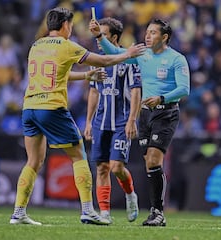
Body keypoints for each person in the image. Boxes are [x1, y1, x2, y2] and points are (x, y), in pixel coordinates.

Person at [9, 7, 145, 226]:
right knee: (79, 155)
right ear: (65, 25)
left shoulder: (36, 45)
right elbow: (102, 61)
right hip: (52, 107)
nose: (71, 29)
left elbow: (57, 73)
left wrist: (86, 76)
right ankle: (87, 210)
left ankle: (18, 212)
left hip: (29, 107)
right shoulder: (66, 45)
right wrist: (127, 55)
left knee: (33, 161)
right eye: (70, 25)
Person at [90, 18, 190, 226]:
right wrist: (99, 36)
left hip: (166, 112)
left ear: (164, 37)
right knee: (149, 163)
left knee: (154, 160)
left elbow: (184, 89)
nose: (147, 35)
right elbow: (116, 53)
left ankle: (158, 212)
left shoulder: (177, 59)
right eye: (147, 31)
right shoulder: (142, 54)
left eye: (153, 32)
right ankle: (154, 211)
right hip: (146, 114)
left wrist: (162, 98)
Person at [83, 17, 141, 224]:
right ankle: (105, 213)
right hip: (100, 122)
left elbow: (136, 91)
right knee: (101, 167)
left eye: (104, 34)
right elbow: (93, 93)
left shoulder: (129, 60)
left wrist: (132, 119)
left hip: (121, 120)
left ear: (114, 37)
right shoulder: (97, 60)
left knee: (116, 167)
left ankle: (130, 194)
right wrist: (88, 122)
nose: (99, 40)